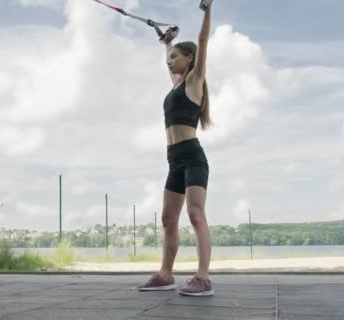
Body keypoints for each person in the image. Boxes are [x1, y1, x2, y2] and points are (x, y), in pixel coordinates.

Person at [138, 1, 214, 297]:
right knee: (168, 220)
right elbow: (168, 60)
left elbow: (203, 40)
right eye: (169, 58)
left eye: (175, 57)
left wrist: (207, 10)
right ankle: (165, 274)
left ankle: (204, 278)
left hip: (193, 157)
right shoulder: (175, 86)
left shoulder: (195, 81)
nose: (170, 61)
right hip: (174, 161)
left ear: (190, 59)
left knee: (196, 215)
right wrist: (167, 43)